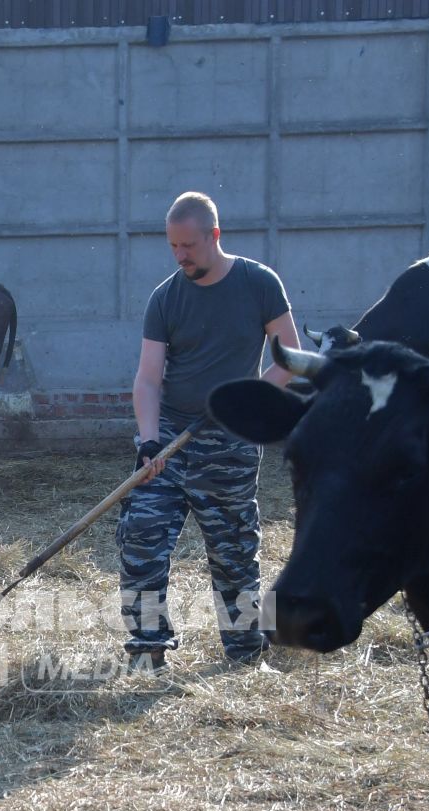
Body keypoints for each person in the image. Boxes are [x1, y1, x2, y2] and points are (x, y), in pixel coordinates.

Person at [120, 191, 302, 670]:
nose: (180, 256)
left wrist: (242, 404)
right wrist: (149, 441)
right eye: (173, 246)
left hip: (231, 441)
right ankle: (147, 653)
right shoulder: (166, 298)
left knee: (235, 552)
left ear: (214, 236)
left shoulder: (258, 283)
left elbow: (290, 357)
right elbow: (147, 377)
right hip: (171, 438)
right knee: (141, 539)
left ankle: (246, 655)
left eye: (189, 246)